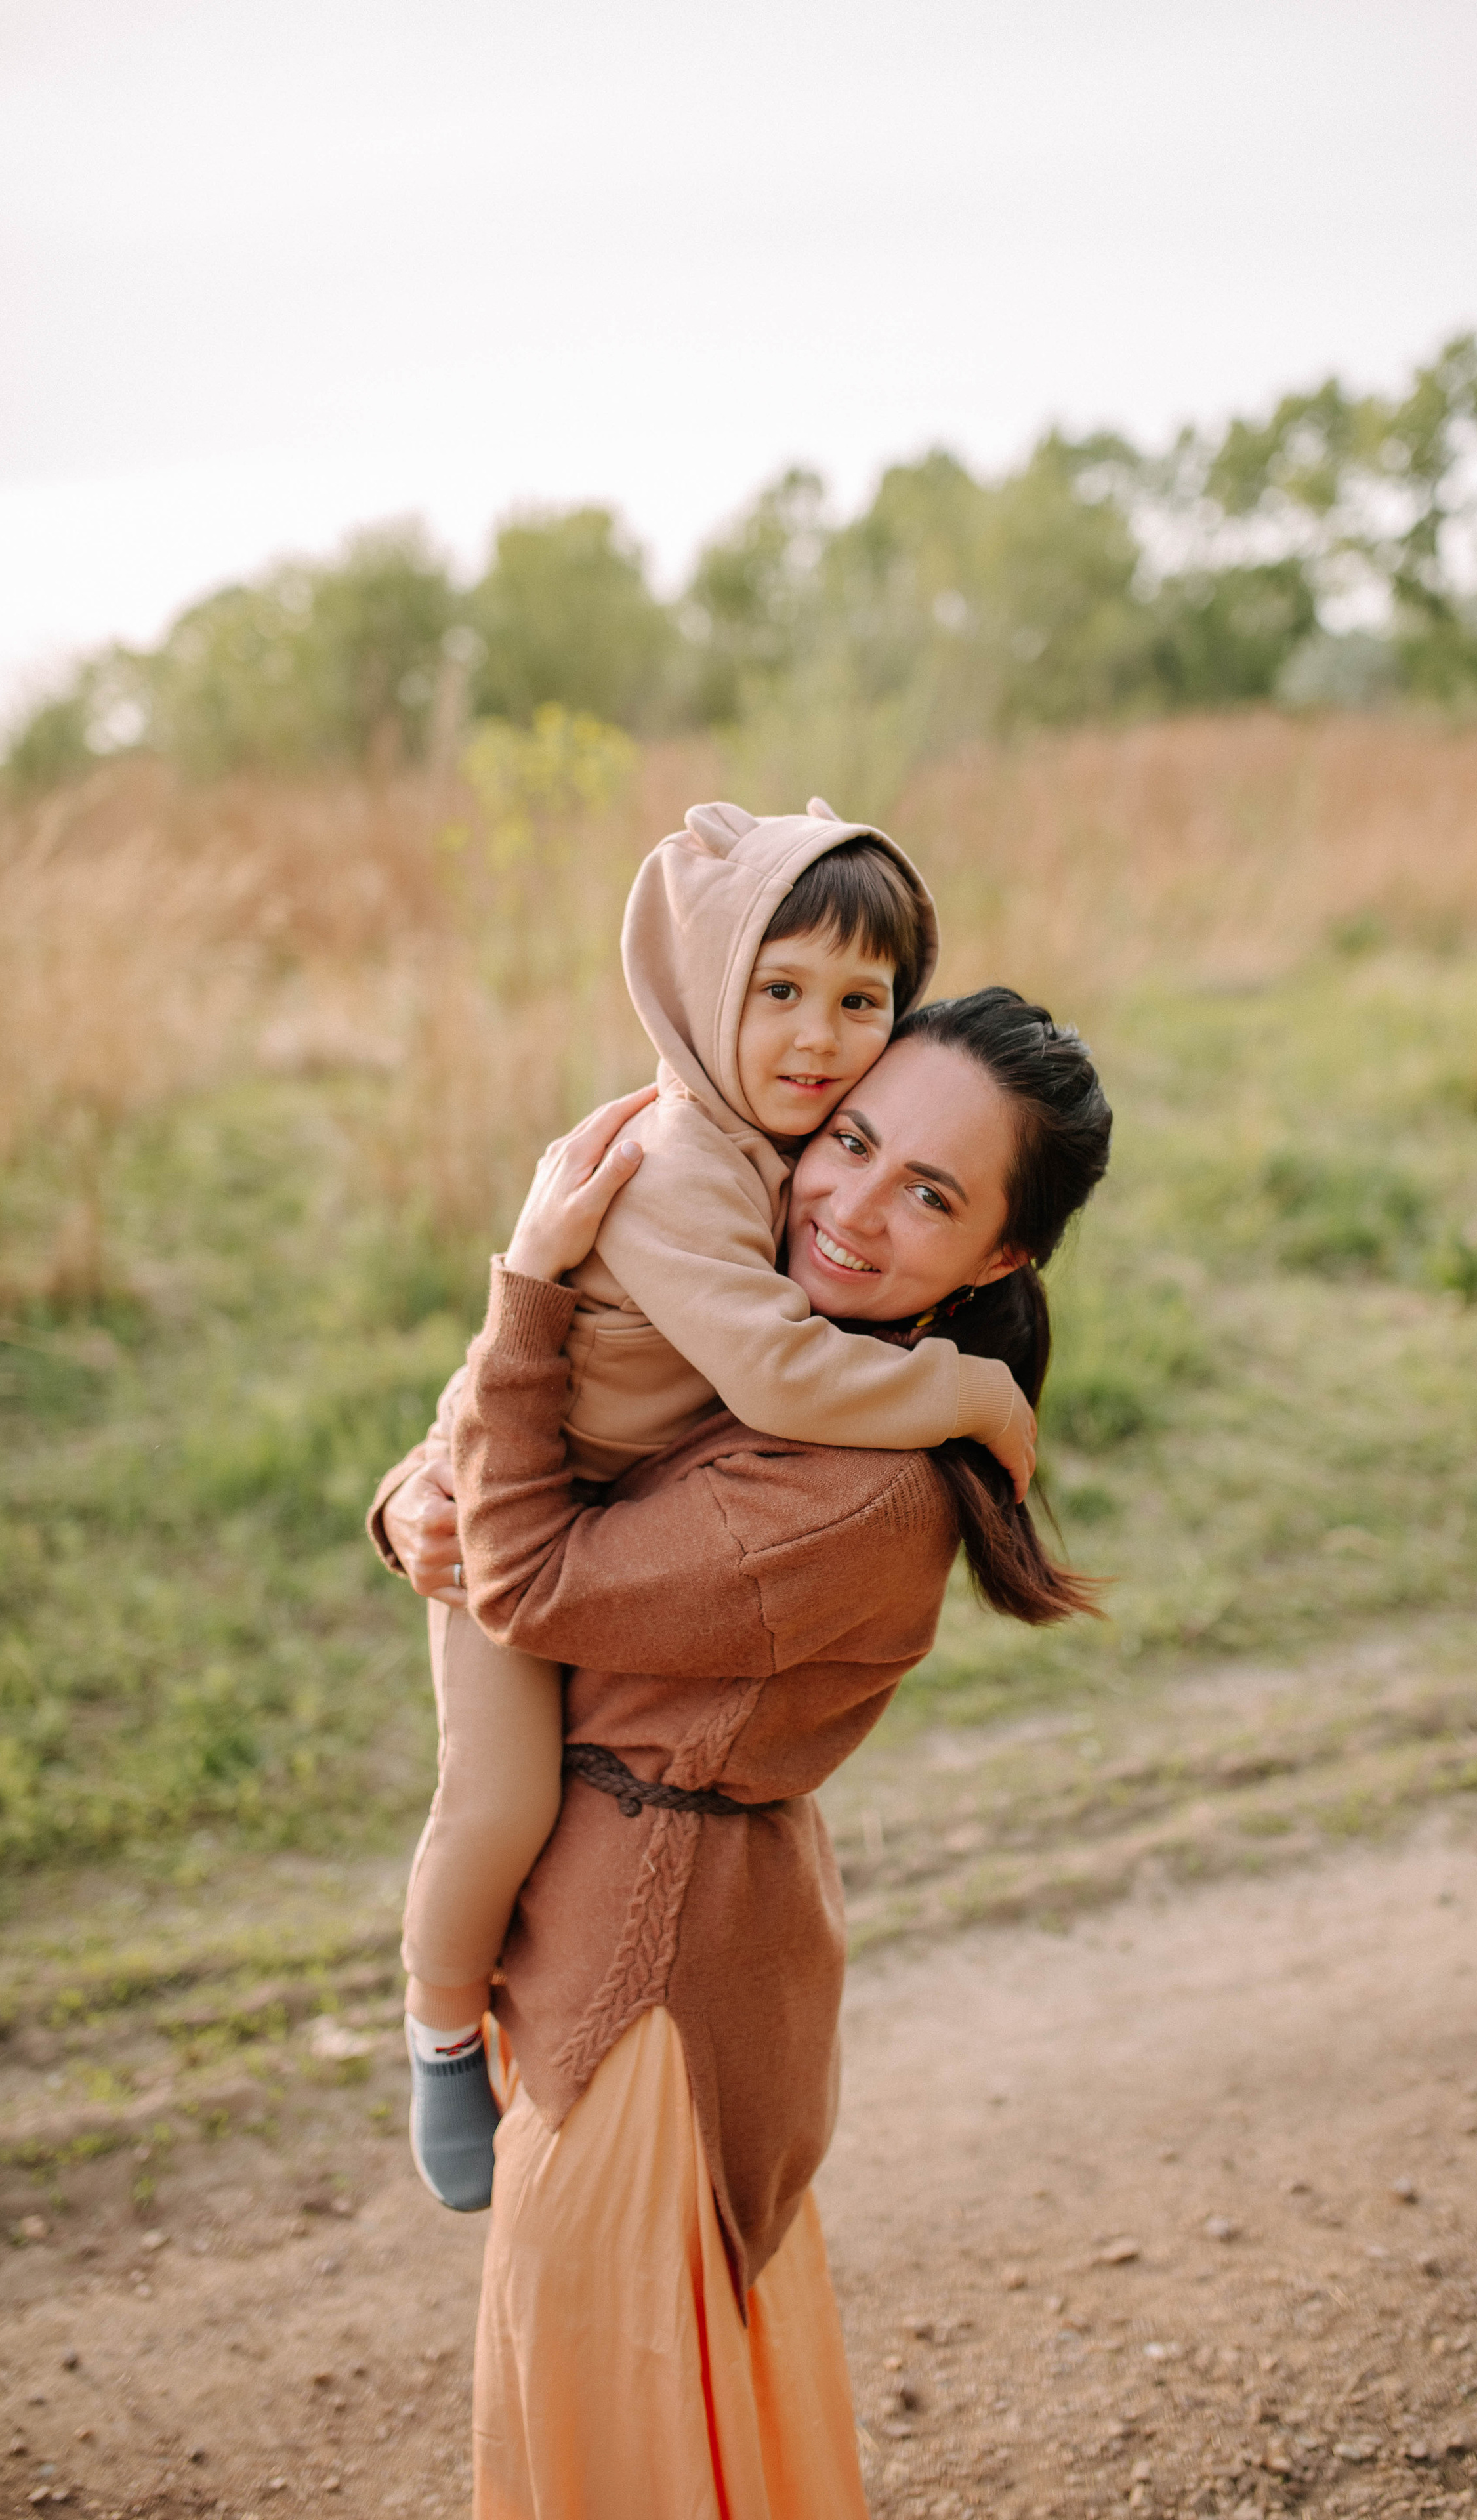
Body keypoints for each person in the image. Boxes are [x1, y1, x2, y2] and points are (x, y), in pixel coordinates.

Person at [371, 984, 1113, 2518]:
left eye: (930, 1194)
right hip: (618, 1941)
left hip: (652, 1986)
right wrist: (409, 1504)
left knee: (619, 2420)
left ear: (999, 1259)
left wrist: (526, 1285)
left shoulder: (861, 1492)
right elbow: (506, 1477)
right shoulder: (738, 1338)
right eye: (847, 1140)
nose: (850, 1206)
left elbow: (533, 1571)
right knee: (632, 2405)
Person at [398, 799, 1038, 2214]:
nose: (819, 1038)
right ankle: (438, 2024)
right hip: (523, 1504)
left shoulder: (775, 1149)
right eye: (778, 991)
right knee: (495, 1801)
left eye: (860, 1001)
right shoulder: (678, 1165)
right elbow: (772, 1368)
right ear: (704, 990)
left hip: (583, 1504)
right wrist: (971, 1395)